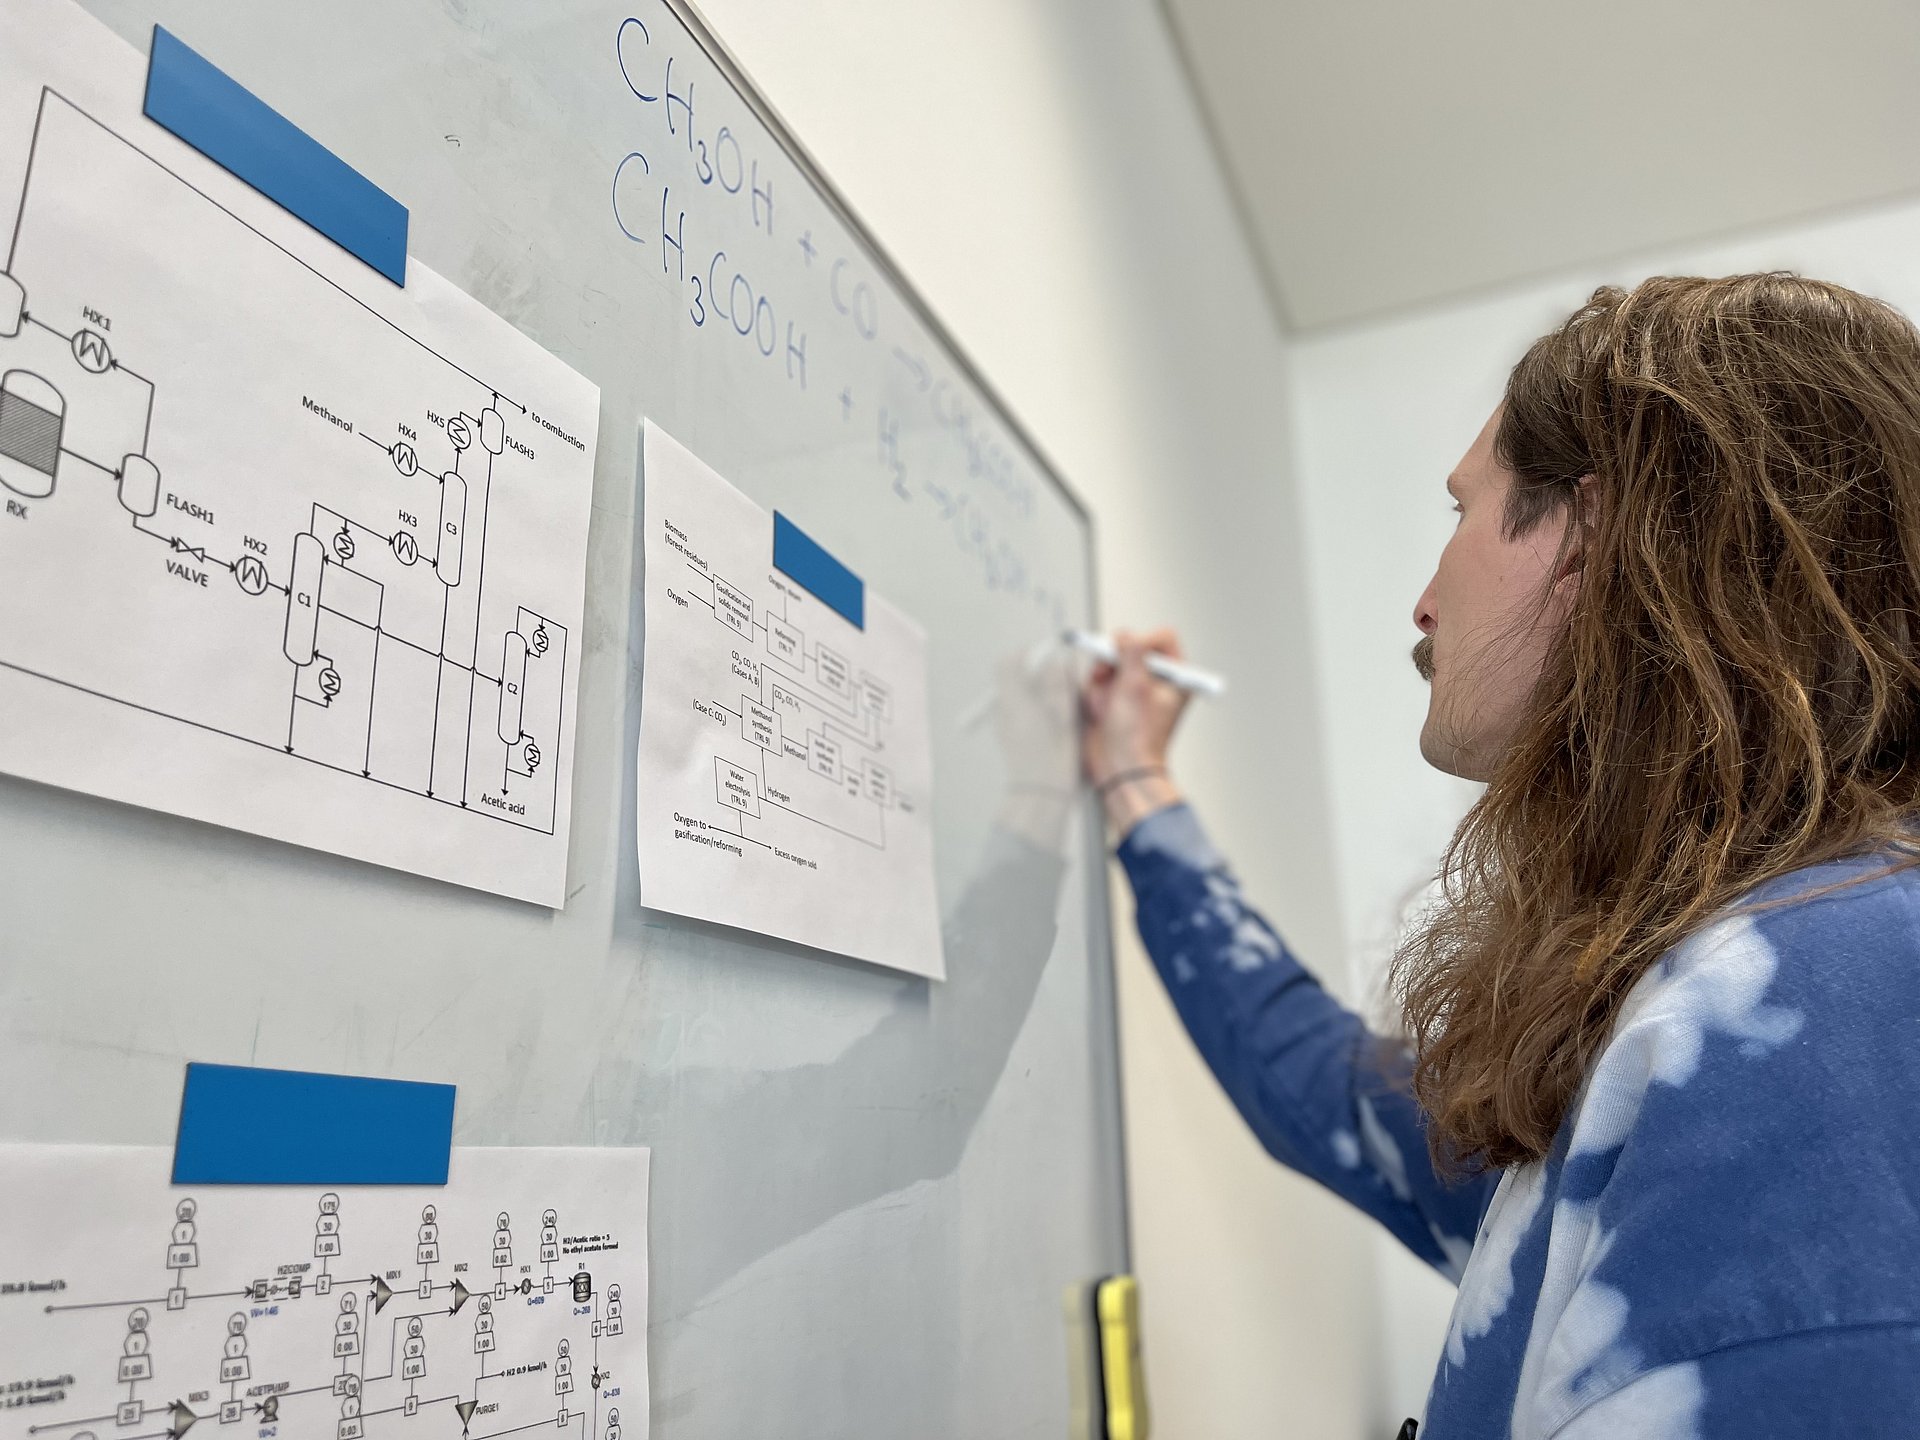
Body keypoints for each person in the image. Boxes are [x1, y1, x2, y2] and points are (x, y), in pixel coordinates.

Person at [1082, 273, 1920, 1439]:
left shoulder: (1814, 1010)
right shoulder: (1689, 1027)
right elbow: (1333, 1097)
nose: (1426, 602)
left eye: (1460, 512)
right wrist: (1137, 788)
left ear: (1597, 534)